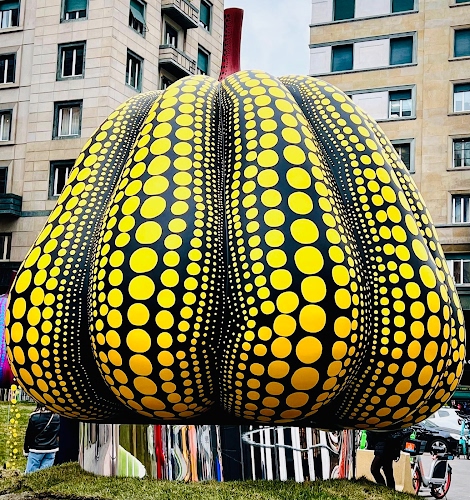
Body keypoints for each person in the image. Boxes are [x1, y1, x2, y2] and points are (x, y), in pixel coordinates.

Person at [23, 404, 60, 473]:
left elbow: (29, 435)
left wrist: (26, 449)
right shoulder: (57, 417)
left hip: (36, 449)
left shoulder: (34, 417)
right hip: (52, 448)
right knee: (45, 473)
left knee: (30, 473)